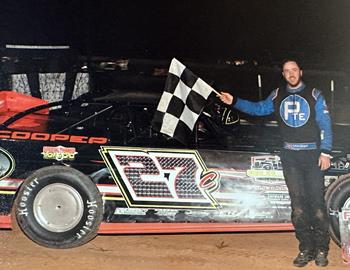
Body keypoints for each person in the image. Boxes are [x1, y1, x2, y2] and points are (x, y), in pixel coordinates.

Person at [219, 59, 332, 267]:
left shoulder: (315, 95)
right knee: (298, 207)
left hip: (313, 156)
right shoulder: (277, 94)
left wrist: (325, 151)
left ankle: (322, 249)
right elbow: (257, 109)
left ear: (301, 71)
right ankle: (306, 248)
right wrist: (234, 101)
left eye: (294, 70)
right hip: (290, 158)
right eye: (287, 71)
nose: (291, 74)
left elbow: (325, 123)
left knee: (317, 206)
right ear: (283, 74)